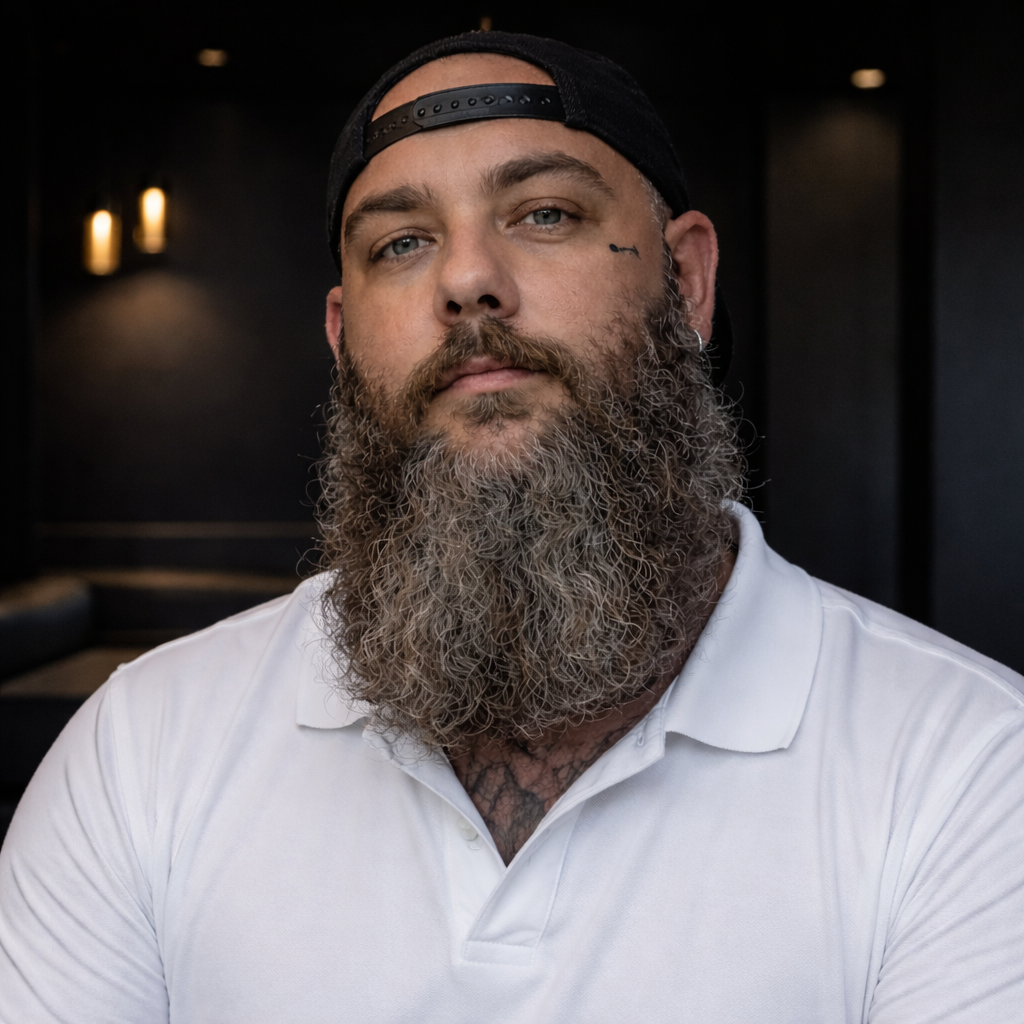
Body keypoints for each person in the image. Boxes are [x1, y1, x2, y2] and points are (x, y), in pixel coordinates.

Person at [2, 31, 1023, 1023]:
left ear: (688, 280)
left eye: (542, 213)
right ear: (342, 336)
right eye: (401, 242)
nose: (465, 280)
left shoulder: (970, 768)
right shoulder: (139, 754)